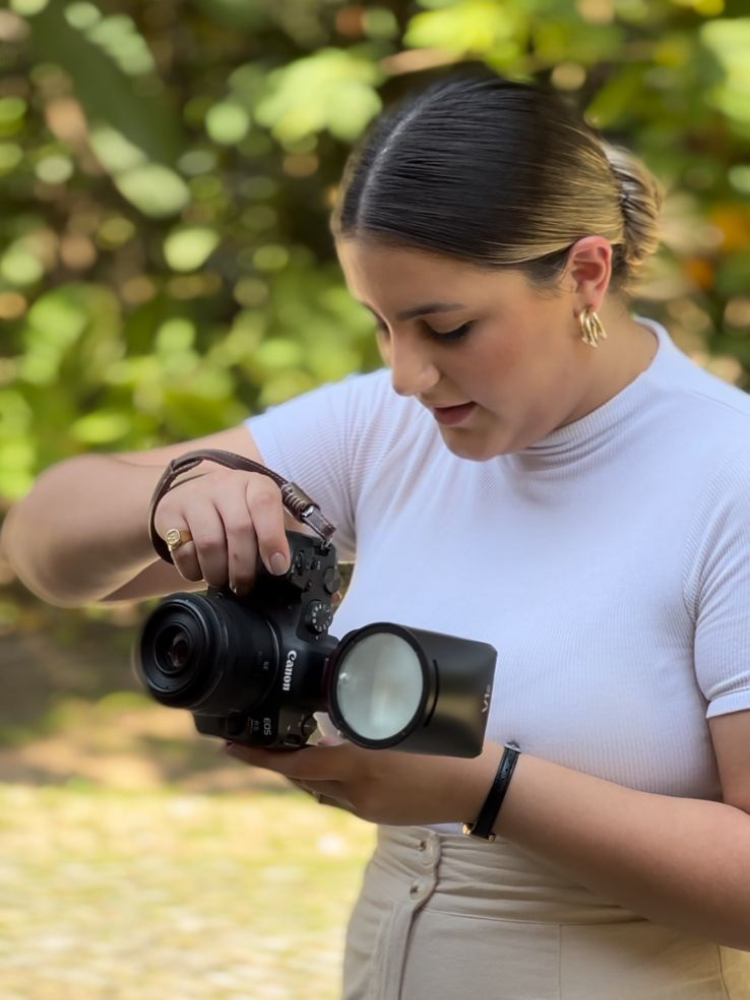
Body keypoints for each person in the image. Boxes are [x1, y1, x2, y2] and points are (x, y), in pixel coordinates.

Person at [3, 72, 750, 999]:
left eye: (446, 326)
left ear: (585, 274)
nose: (405, 373)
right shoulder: (391, 428)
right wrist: (171, 493)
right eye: (381, 326)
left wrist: (488, 790)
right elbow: (43, 544)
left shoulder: (729, 477)